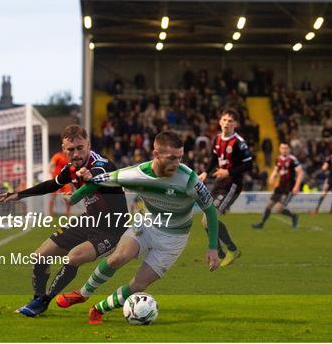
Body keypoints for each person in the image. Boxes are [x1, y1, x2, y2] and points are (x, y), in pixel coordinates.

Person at [55, 131, 220, 324]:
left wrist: (212, 247)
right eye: (172, 158)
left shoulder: (189, 179)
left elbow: (211, 211)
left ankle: (99, 309)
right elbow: (100, 181)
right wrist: (74, 198)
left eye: (180, 158)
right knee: (117, 258)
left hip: (174, 238)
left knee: (138, 284)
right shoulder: (136, 174)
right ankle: (83, 293)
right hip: (147, 224)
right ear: (156, 155)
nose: (177, 163)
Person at [0, 125, 128, 317]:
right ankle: (37, 297)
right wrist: (19, 195)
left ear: (88, 144)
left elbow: (100, 176)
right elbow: (52, 184)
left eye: (80, 148)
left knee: (73, 258)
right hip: (89, 220)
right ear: (64, 150)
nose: (76, 153)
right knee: (39, 256)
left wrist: (91, 180)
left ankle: (43, 302)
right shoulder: (70, 168)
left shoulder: (101, 165)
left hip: (111, 228)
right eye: (71, 150)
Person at [198, 109, 252, 267]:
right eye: (225, 120)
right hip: (219, 183)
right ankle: (220, 252)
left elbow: (248, 164)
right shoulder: (217, 139)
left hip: (232, 185)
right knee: (205, 221)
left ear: (235, 124)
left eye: (230, 121)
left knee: (210, 218)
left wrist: (228, 171)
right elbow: (215, 158)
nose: (227, 123)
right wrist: (205, 173)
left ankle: (230, 250)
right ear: (220, 121)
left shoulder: (239, 143)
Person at [252, 143, 304, 229]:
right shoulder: (278, 159)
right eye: (283, 148)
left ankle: (294, 216)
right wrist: (272, 176)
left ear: (289, 149)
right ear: (280, 149)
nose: (284, 150)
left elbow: (300, 172)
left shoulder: (292, 160)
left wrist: (297, 186)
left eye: (286, 148)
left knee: (279, 209)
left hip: (289, 187)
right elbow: (276, 170)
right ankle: (261, 223)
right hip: (280, 187)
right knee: (269, 205)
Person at [48, 150, 72, 216]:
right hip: (56, 179)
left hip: (65, 181)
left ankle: (68, 214)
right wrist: (51, 174)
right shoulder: (58, 156)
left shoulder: (70, 157)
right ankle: (50, 215)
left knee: (68, 197)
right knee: (52, 197)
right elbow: (51, 165)